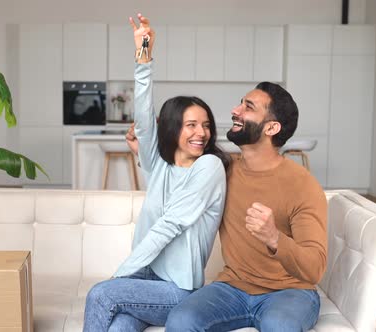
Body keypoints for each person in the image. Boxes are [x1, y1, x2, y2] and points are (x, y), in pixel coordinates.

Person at [124, 17, 327, 332]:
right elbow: (173, 163)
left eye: (248, 107)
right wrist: (147, 153)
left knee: (279, 326)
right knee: (180, 320)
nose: (235, 110)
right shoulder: (220, 168)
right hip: (231, 288)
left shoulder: (303, 185)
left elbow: (314, 269)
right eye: (240, 103)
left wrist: (275, 237)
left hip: (290, 292)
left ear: (272, 128)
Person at [83, 14, 230, 332]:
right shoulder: (161, 163)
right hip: (146, 276)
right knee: (121, 326)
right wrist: (143, 52)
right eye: (191, 125)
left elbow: (170, 225)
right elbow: (144, 111)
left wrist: (119, 276)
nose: (201, 133)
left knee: (101, 295)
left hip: (178, 290)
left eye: (205, 125)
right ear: (173, 126)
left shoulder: (209, 167)